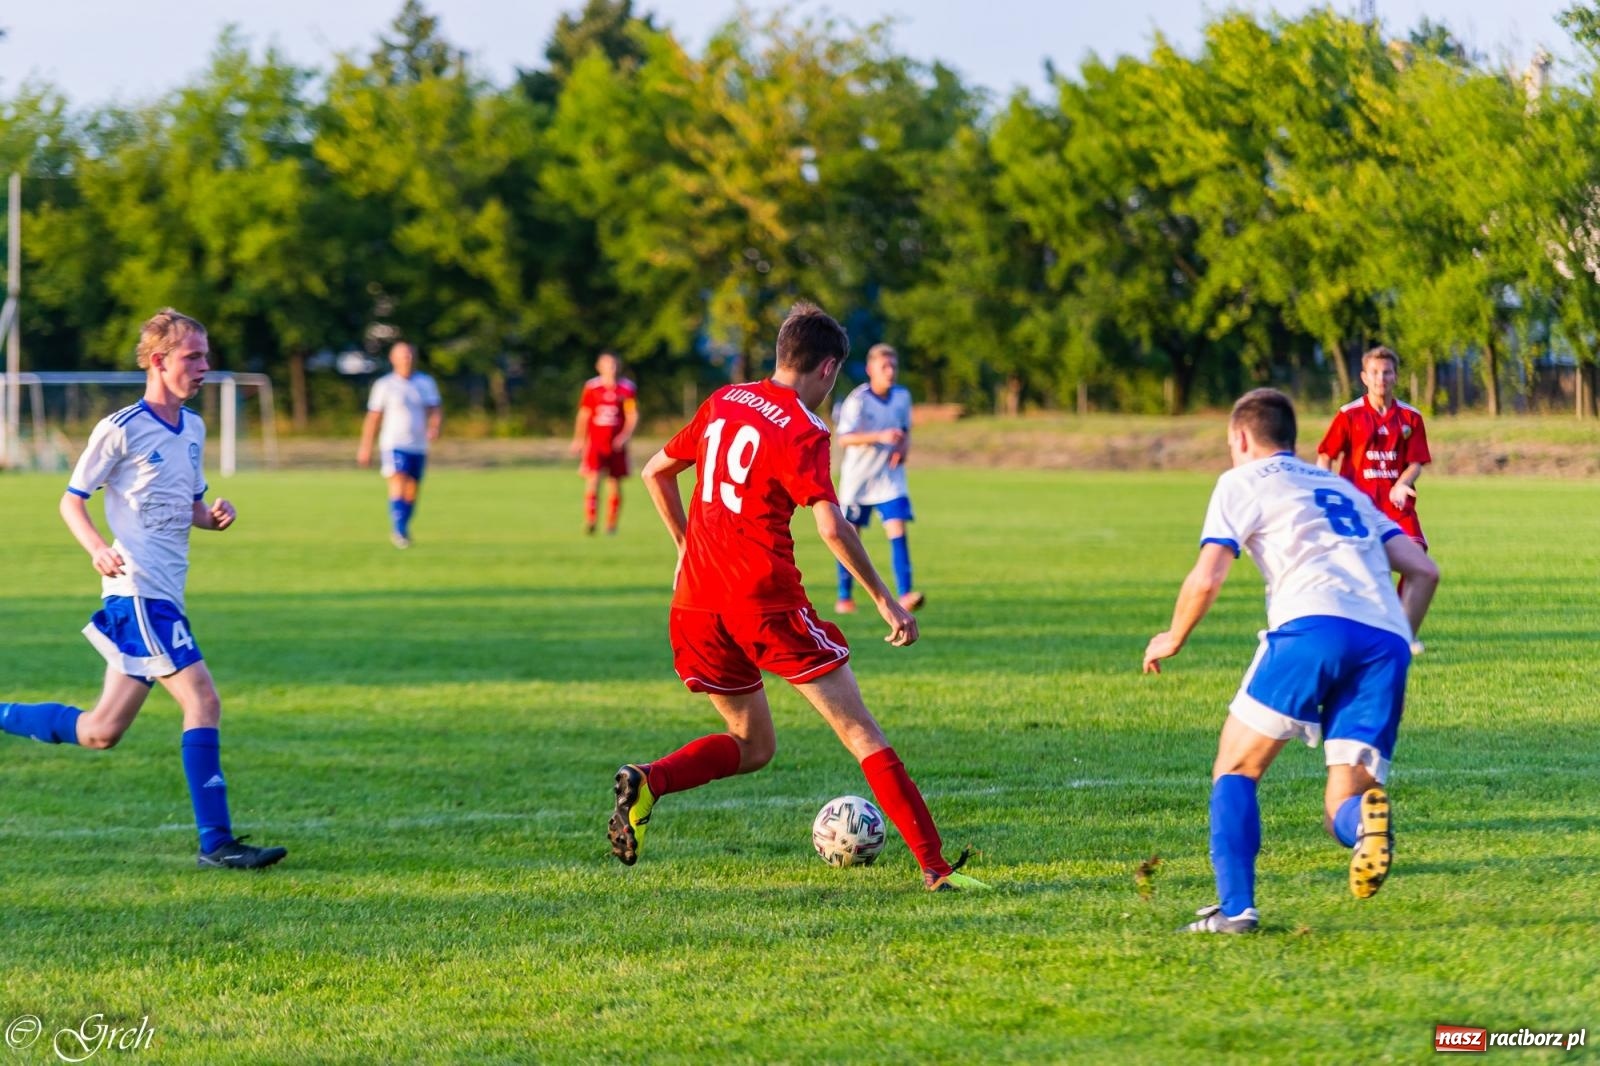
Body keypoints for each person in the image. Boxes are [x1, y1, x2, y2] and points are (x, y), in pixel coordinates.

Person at [616, 301, 986, 892]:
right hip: (765, 605)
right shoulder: (805, 428)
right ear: (828, 369)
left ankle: (650, 781)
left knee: (753, 744)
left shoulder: (723, 401)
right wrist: (886, 601)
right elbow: (832, 526)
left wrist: (687, 548)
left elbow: (655, 471)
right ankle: (936, 868)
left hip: (695, 606)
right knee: (860, 730)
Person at [0, 308, 287, 869]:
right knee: (203, 699)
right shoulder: (122, 428)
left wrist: (214, 516)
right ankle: (217, 844)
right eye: (193, 357)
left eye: (206, 356)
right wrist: (97, 550)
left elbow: (190, 508)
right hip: (137, 593)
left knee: (100, 731)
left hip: (163, 596)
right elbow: (70, 500)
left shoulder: (195, 429)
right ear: (159, 361)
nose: (205, 367)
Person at [1143, 388, 1437, 933]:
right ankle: (1363, 825)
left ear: (1240, 438)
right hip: (1386, 643)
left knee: (1236, 767)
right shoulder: (1340, 486)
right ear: (1292, 438)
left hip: (1311, 627)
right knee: (1341, 805)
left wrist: (1173, 637)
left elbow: (1209, 574)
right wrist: (1396, 640)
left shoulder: (1240, 480)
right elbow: (1423, 571)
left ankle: (1236, 910)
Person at [1316, 346, 1432, 649]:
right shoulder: (1349, 415)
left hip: (1396, 506)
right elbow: (1326, 455)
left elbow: (1416, 462)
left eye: (1387, 372)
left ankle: (1402, 630)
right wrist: (1329, 493)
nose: (1382, 378)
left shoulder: (1410, 417)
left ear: (1396, 376)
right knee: (1353, 570)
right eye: (1375, 373)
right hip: (1357, 507)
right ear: (1364, 377)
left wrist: (1402, 484)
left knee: (1417, 558)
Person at [833, 343, 923, 614]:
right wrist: (879, 437)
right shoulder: (857, 400)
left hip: (889, 478)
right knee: (850, 537)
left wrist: (902, 449)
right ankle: (844, 597)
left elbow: (905, 430)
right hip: (858, 480)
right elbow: (844, 438)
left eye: (894, 366)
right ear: (871, 369)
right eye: (885, 366)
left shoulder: (902, 396)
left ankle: (905, 594)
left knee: (898, 530)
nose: (890, 371)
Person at [357, 341, 442, 549]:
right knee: (398, 481)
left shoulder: (425, 382)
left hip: (418, 445)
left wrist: (434, 426)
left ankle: (403, 526)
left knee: (412, 488)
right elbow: (373, 418)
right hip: (394, 443)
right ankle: (399, 530)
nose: (407, 359)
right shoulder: (385, 385)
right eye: (402, 355)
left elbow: (435, 409)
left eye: (410, 355)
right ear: (393, 359)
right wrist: (365, 446)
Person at [569, 352, 638, 535]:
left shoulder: (627, 388)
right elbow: (584, 414)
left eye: (614, 365)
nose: (611, 369)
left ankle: (611, 525)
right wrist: (578, 439)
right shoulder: (592, 387)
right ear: (599, 367)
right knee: (593, 480)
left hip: (616, 445)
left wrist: (624, 436)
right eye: (607, 365)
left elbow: (632, 414)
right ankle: (590, 520)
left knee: (614, 483)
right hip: (595, 443)